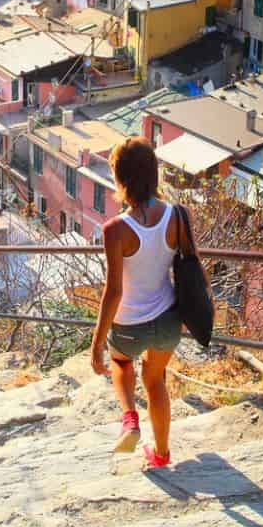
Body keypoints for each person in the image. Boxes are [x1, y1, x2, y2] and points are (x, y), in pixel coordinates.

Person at [90, 137, 187, 468]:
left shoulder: (116, 229)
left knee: (120, 363)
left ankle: (130, 418)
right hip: (169, 318)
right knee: (156, 380)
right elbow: (187, 266)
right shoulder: (177, 216)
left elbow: (114, 291)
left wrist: (97, 341)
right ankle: (161, 455)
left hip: (130, 323)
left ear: (121, 178)